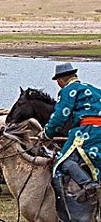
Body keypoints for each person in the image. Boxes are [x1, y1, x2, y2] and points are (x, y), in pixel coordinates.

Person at [40, 62, 101, 202]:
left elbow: (59, 117)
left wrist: (46, 135)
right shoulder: (94, 89)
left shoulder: (68, 90)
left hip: (88, 132)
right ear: (75, 75)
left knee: (63, 161)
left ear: (60, 81)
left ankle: (89, 185)